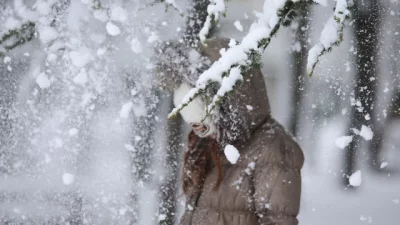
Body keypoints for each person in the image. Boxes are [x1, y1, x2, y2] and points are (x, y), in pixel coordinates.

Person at [156, 38, 304, 225]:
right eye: (190, 119)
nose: (197, 128)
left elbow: (278, 221)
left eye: (202, 118)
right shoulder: (209, 143)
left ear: (229, 104)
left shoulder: (273, 150)